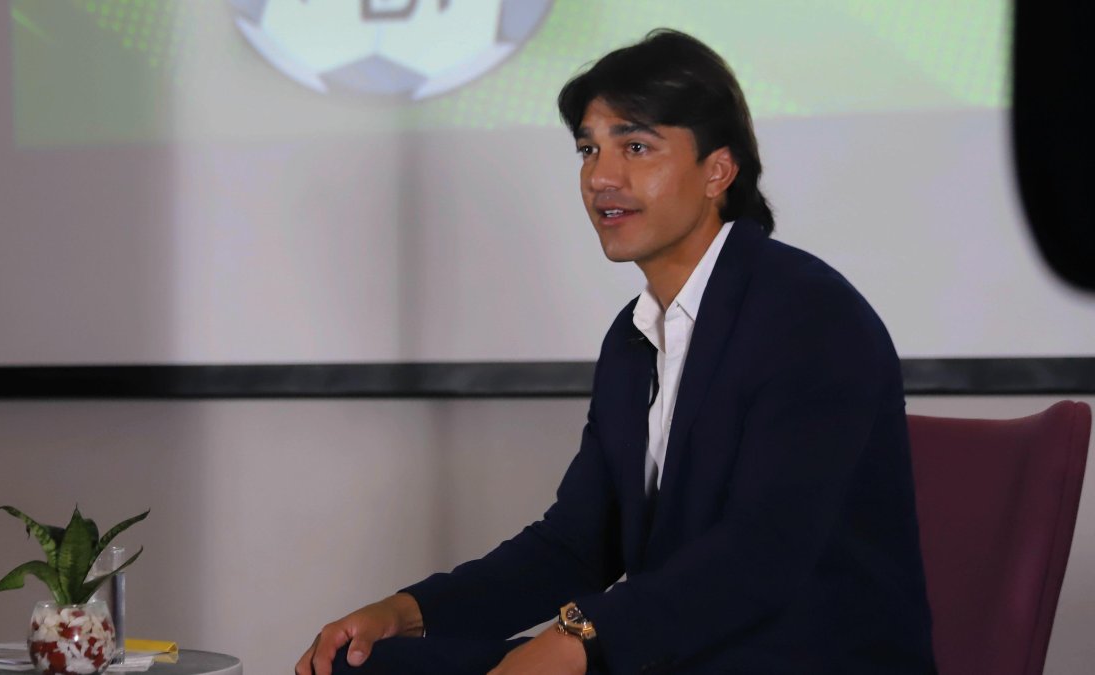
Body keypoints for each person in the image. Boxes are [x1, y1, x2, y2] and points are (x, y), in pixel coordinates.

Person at [295, 29, 935, 675]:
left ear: (718, 169)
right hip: (677, 653)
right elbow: (576, 545)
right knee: (362, 665)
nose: (601, 176)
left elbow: (760, 557)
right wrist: (405, 611)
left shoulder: (809, 315)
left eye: (635, 146)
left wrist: (577, 639)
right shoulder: (633, 338)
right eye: (588, 149)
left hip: (799, 658)